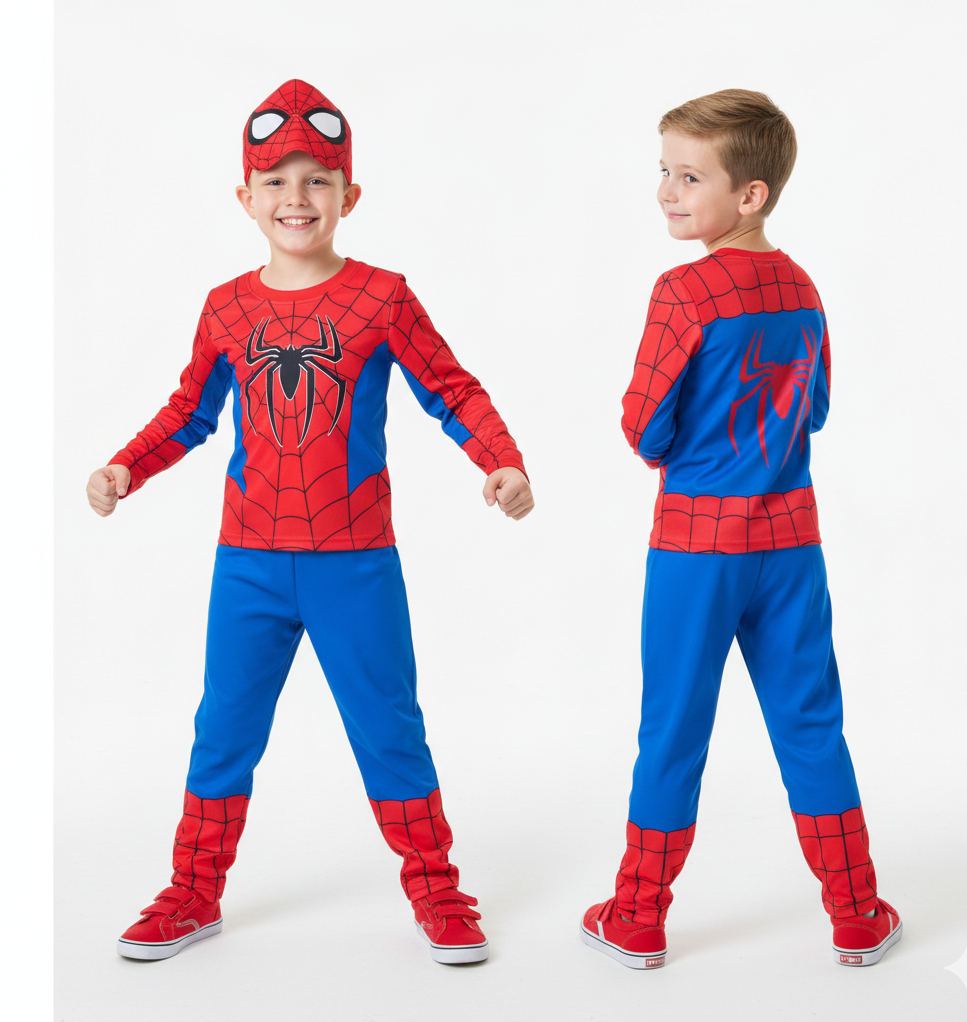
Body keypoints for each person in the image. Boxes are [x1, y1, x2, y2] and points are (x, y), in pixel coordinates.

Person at [86, 79, 533, 965]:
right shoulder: (226, 306)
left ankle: (437, 890)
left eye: (318, 180)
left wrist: (501, 459)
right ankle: (192, 892)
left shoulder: (383, 296)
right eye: (276, 181)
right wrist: (126, 466)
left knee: (389, 729)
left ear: (349, 195)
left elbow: (452, 390)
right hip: (248, 561)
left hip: (353, 560)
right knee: (224, 733)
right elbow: (189, 412)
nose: (297, 198)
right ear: (246, 197)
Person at [579, 89, 901, 970]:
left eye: (689, 177)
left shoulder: (682, 291)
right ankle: (857, 913)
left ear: (750, 194)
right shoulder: (802, 287)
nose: (667, 191)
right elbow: (817, 409)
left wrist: (689, 445)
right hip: (790, 543)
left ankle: (637, 916)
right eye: (664, 171)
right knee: (811, 724)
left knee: (673, 729)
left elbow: (643, 427)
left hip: (696, 547)